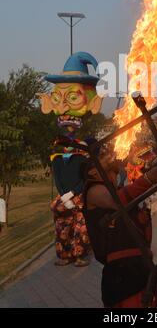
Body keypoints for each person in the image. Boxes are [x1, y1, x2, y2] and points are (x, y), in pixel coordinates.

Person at [83, 146, 157, 308]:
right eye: (103, 157)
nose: (110, 157)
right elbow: (116, 202)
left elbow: (142, 228)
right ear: (93, 172)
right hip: (121, 273)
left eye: (115, 172)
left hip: (142, 267)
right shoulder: (92, 189)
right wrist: (147, 180)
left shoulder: (120, 190)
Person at [39, 51, 103, 267]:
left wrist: (74, 193)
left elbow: (86, 176)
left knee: (79, 224)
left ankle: (79, 255)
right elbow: (58, 174)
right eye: (58, 97)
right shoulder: (56, 151)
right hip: (63, 195)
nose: (65, 106)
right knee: (61, 224)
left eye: (73, 97)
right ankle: (64, 255)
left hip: (77, 196)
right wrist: (62, 193)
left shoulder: (84, 150)